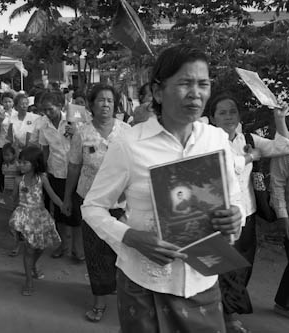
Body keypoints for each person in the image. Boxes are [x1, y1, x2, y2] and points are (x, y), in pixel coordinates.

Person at [81, 44, 244, 332]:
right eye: (185, 83)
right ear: (158, 91)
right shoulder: (130, 144)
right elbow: (92, 207)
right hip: (144, 286)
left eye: (203, 84)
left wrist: (235, 216)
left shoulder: (216, 140)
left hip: (203, 282)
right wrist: (130, 237)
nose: (196, 93)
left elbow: (235, 202)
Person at [206, 91, 289, 332]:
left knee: (244, 266)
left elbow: (284, 146)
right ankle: (226, 316)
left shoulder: (249, 140)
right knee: (223, 268)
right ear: (212, 117)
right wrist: (249, 158)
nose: (229, 116)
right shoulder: (207, 142)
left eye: (232, 111)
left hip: (248, 214)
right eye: (222, 112)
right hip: (220, 217)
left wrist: (279, 119)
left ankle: (227, 310)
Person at [62, 83, 130, 322]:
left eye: (110, 100)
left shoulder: (126, 131)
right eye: (101, 100)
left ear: (116, 104)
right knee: (95, 252)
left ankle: (121, 294)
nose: (106, 104)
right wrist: (67, 198)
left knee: (121, 251)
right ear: (91, 105)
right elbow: (73, 166)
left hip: (121, 204)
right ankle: (99, 302)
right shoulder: (82, 133)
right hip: (90, 202)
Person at [8, 146, 62, 296]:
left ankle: (33, 265)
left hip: (40, 216)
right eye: (20, 162)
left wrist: (63, 205)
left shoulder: (42, 179)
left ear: (35, 164)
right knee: (29, 249)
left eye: (25, 162)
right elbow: (13, 198)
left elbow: (52, 195)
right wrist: (12, 210)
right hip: (24, 217)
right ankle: (28, 281)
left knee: (41, 247)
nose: (21, 165)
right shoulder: (19, 180)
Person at [38, 91, 84, 260]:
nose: (47, 113)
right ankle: (62, 245)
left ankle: (77, 249)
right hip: (55, 173)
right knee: (59, 213)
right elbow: (44, 149)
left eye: (50, 109)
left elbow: (88, 142)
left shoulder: (74, 120)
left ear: (60, 106)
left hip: (76, 173)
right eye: (44, 110)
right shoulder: (44, 125)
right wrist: (43, 171)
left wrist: (77, 133)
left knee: (77, 213)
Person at [270, 153, 289, 318]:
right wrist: (283, 216)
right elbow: (277, 184)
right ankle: (283, 304)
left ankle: (284, 302)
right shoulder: (286, 147)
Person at [0, 91, 17, 192]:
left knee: (15, 168)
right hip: (1, 144)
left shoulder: (17, 114)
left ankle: (15, 190)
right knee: (1, 168)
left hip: (14, 145)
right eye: (5, 102)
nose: (7, 104)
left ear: (13, 102)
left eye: (9, 101)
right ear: (2, 102)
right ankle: (2, 190)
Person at [2, 143, 22, 256]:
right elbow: (5, 178)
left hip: (17, 192)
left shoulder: (18, 165)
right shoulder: (4, 165)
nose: (6, 157)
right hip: (8, 191)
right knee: (11, 210)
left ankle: (17, 231)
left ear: (14, 155)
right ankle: (14, 228)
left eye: (9, 155)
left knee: (17, 211)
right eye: (5, 155)